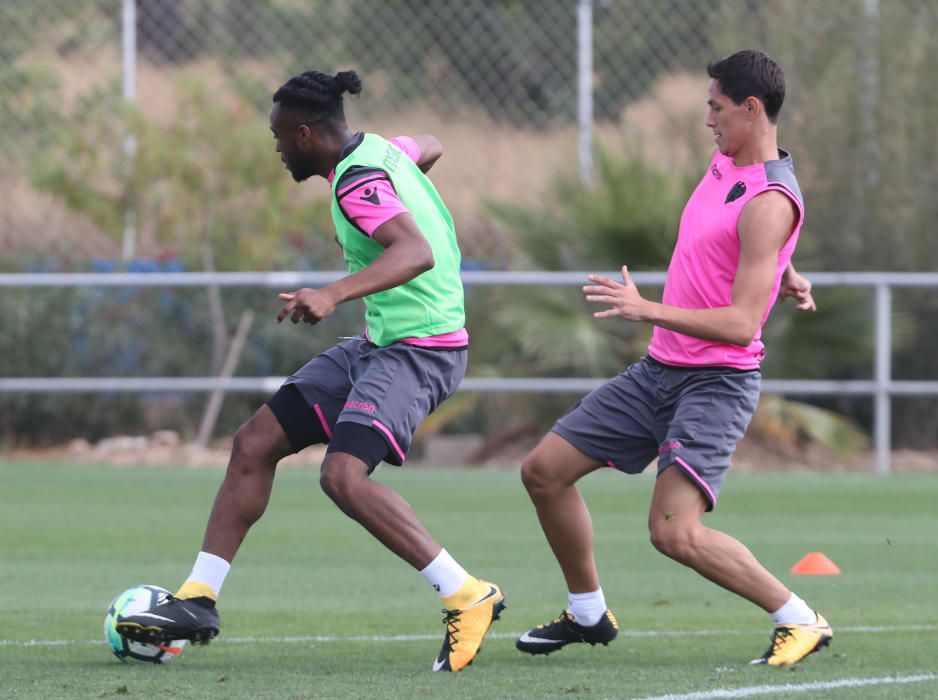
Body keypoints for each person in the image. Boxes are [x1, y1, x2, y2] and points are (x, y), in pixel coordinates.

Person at [117, 69, 504, 673]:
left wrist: (332, 292)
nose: (275, 149)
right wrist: (402, 189)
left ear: (304, 134)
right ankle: (198, 597)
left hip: (421, 351)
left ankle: (466, 594)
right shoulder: (382, 153)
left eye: (278, 138)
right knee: (254, 442)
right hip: (381, 343)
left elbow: (415, 251)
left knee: (343, 478)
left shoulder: (359, 183)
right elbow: (429, 143)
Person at [515, 49, 830, 667]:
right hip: (661, 369)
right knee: (542, 472)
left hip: (716, 382)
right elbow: (738, 240)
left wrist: (646, 308)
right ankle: (587, 614)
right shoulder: (727, 164)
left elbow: (742, 325)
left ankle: (799, 618)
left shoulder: (770, 201)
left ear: (752, 108)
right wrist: (785, 270)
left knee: (673, 533)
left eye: (716, 108)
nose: (708, 121)